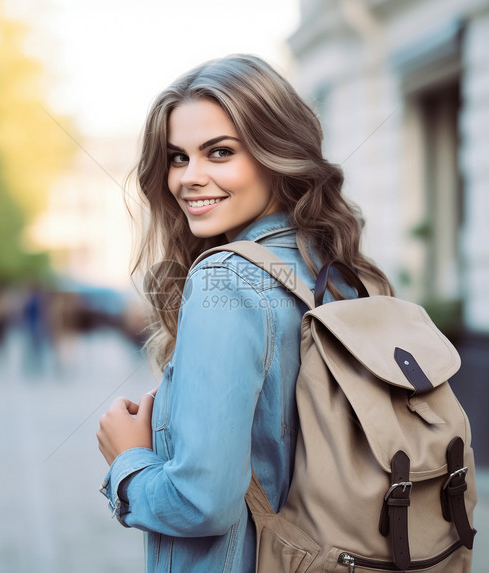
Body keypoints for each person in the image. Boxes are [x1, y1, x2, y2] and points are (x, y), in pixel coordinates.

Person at [96, 54, 393, 572]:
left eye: (219, 152)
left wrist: (127, 463)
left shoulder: (226, 280)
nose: (190, 178)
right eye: (177, 158)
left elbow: (201, 502)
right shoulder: (337, 270)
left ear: (276, 152)